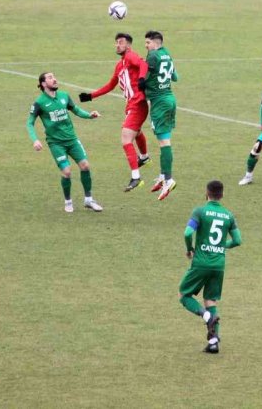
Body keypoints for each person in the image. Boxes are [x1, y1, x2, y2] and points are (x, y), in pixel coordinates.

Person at [78, 33, 151, 192]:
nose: (117, 45)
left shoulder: (131, 56)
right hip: (132, 104)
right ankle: (144, 157)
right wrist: (91, 96)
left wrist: (142, 79)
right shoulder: (120, 65)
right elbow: (111, 85)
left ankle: (136, 177)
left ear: (128, 45)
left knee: (126, 138)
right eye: (116, 43)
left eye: (121, 42)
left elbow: (143, 65)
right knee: (135, 132)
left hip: (138, 102)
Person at [179, 180, 242, 354]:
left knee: (184, 295)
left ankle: (206, 316)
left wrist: (189, 249)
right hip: (218, 265)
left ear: (207, 193)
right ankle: (213, 342)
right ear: (222, 195)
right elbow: (238, 241)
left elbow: (187, 233)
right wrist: (222, 246)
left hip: (201, 262)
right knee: (211, 300)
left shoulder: (200, 211)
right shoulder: (228, 215)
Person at [27, 71, 103, 214]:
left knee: (85, 165)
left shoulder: (64, 96)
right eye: (50, 78)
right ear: (43, 84)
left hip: (72, 139)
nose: (54, 79)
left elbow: (75, 110)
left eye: (54, 76)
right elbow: (30, 123)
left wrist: (89, 115)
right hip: (56, 143)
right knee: (67, 172)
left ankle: (89, 200)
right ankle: (68, 201)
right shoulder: (39, 103)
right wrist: (35, 140)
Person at [142, 30, 179, 201]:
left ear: (156, 43)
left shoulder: (153, 56)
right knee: (163, 140)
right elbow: (175, 77)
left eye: (148, 43)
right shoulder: (167, 54)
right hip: (170, 98)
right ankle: (164, 176)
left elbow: (143, 80)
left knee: (164, 142)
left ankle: (169, 179)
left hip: (159, 102)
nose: (146, 46)